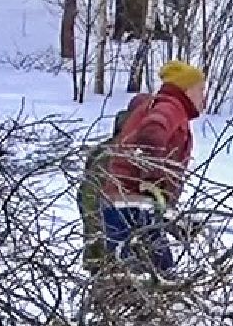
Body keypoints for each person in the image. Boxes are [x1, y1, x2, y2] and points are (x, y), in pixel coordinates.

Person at [98, 61, 206, 277]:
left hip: (125, 199)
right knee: (155, 272)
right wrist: (151, 180)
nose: (204, 97)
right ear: (186, 90)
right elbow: (151, 133)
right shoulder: (170, 106)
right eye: (200, 91)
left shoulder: (164, 105)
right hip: (133, 202)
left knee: (130, 272)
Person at [77, 97, 146, 272]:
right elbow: (90, 197)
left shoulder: (120, 150)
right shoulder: (118, 153)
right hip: (113, 249)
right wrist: (103, 244)